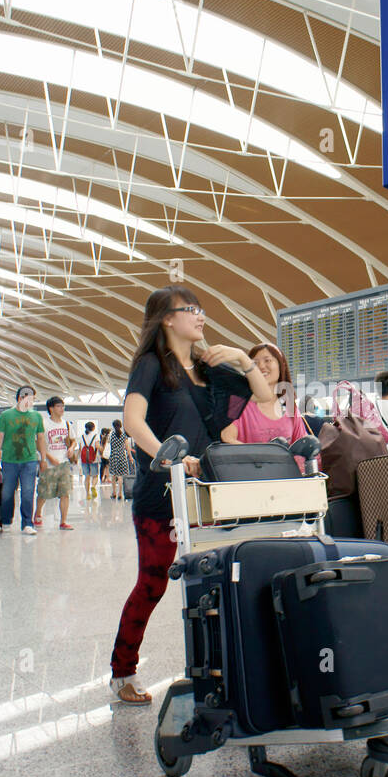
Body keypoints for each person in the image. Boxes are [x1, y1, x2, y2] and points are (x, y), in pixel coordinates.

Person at [112, 285, 274, 705]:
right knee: (152, 583)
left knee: (217, 581)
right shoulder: (151, 365)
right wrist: (169, 458)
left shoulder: (206, 367)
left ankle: (219, 669)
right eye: (191, 310)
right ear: (167, 319)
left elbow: (265, 396)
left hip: (207, 495)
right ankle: (123, 671)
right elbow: (132, 419)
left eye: (202, 309)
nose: (200, 317)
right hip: (161, 494)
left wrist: (241, 358)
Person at [220, 343, 310, 462]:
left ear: (281, 365)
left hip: (287, 476)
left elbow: (302, 448)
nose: (261, 366)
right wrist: (262, 458)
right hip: (251, 475)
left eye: (267, 360)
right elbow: (227, 439)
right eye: (254, 363)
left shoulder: (289, 407)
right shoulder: (238, 403)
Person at [0, 386, 44, 534]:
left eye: (33, 398)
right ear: (20, 398)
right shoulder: (6, 415)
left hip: (30, 460)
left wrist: (43, 458)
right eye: (28, 397)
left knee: (28, 492)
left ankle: (27, 523)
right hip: (9, 460)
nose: (31, 401)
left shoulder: (36, 416)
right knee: (7, 492)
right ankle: (6, 520)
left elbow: (41, 438)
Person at [36, 396, 76, 530]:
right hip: (49, 464)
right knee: (44, 493)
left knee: (65, 493)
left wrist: (71, 448)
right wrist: (47, 457)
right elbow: (38, 443)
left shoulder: (66, 424)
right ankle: (38, 513)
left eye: (63, 406)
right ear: (51, 408)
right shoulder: (44, 424)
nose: (62, 409)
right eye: (59, 406)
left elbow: (73, 440)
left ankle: (63, 521)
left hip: (64, 463)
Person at [105, 420, 131, 499]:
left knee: (113, 475)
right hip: (122, 455)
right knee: (120, 476)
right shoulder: (124, 435)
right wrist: (130, 456)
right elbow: (127, 447)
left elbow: (107, 444)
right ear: (121, 425)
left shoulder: (111, 435)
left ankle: (113, 493)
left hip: (113, 455)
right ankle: (120, 493)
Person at [78, 421, 101, 500]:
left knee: (86, 477)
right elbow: (97, 446)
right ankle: (93, 486)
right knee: (95, 476)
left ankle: (87, 494)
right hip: (93, 459)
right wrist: (102, 449)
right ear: (93, 428)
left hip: (84, 459)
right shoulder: (96, 436)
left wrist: (76, 457)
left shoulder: (81, 436)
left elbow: (80, 448)